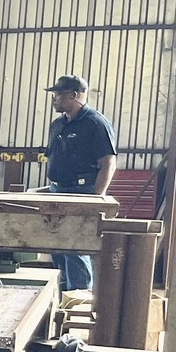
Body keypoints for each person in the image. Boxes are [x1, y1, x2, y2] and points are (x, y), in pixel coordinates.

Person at [40, 74, 117, 292]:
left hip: (81, 191)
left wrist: (96, 199)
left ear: (74, 95)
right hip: (57, 191)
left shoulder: (96, 123)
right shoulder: (58, 124)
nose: (54, 99)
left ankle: (79, 296)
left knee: (75, 245)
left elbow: (108, 163)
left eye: (58, 95)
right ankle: (64, 293)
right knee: (57, 245)